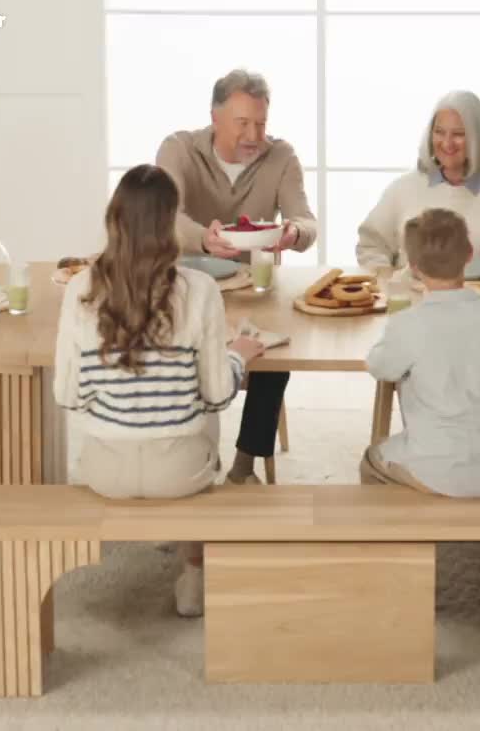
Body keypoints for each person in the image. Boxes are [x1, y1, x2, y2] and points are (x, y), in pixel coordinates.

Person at [53, 164, 264, 617]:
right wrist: (239, 356)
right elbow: (217, 394)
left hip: (104, 471)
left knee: (152, 413)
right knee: (202, 415)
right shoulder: (201, 289)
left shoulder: (79, 289)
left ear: (114, 219)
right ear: (170, 224)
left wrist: (119, 381)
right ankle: (194, 574)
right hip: (181, 473)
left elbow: (68, 396)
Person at [359, 208, 480, 623]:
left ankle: (392, 573)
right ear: (470, 255)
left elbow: (379, 367)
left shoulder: (407, 324)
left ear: (412, 268)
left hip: (436, 470)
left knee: (371, 462)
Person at [155, 68, 317, 485]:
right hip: (187, 285)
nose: (253, 135)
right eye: (242, 123)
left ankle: (245, 463)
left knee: (275, 351)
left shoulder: (281, 156)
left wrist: (294, 233)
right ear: (215, 118)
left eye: (260, 123)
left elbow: (305, 221)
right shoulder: (178, 149)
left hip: (256, 290)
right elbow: (162, 217)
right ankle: (186, 455)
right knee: (177, 351)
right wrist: (202, 239)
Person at [356, 90, 480, 273]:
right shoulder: (402, 189)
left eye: (458, 134)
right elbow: (371, 246)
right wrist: (390, 286)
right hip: (414, 301)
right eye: (439, 132)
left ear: (478, 138)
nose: (447, 143)